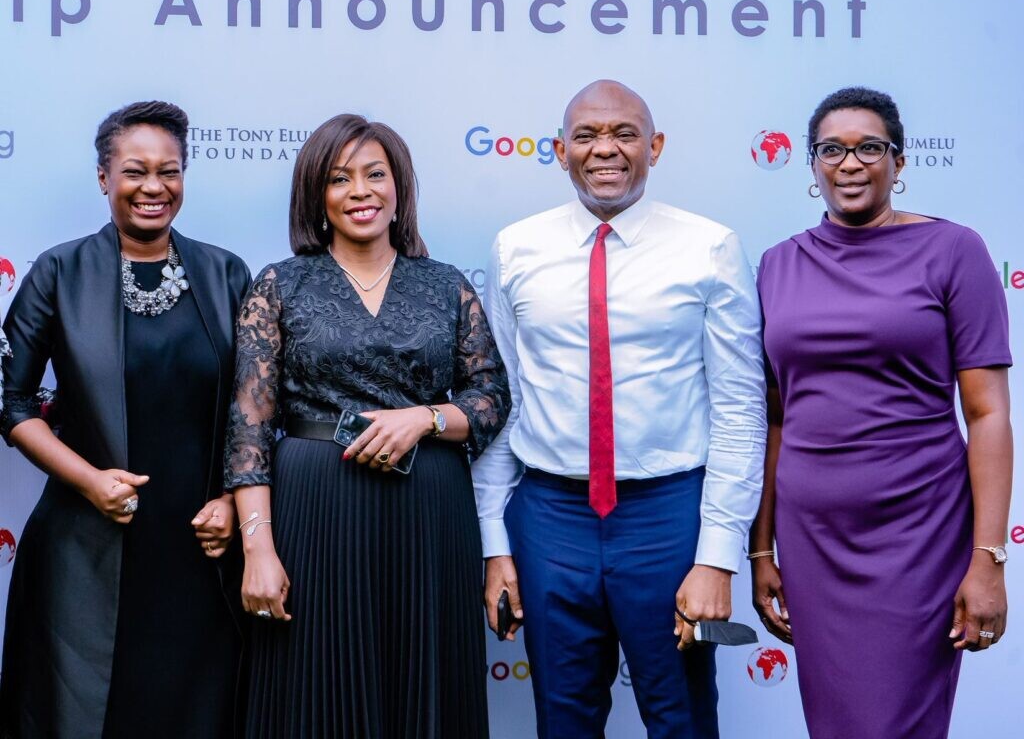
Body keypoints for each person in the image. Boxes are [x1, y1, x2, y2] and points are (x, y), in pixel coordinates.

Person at [473, 79, 767, 738]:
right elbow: (499, 406)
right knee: (564, 720)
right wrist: (496, 544)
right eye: (587, 135)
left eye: (624, 133)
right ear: (560, 150)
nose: (605, 149)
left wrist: (717, 555)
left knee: (681, 718)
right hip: (550, 517)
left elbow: (740, 411)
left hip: (667, 516)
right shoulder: (515, 248)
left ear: (655, 146)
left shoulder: (710, 247)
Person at [223, 113, 510, 739]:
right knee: (312, 686)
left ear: (399, 187)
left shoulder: (445, 285)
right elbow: (248, 433)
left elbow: (491, 397)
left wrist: (426, 418)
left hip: (429, 513)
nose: (360, 191)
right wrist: (258, 550)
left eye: (375, 174)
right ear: (316, 197)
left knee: (425, 685)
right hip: (314, 508)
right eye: (339, 178)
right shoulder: (281, 285)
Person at [750, 87, 1013, 739]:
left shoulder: (955, 252)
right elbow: (773, 419)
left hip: (918, 530)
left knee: (895, 721)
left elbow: (987, 415)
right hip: (814, 537)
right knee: (837, 724)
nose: (850, 163)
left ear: (898, 161)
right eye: (831, 149)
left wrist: (988, 556)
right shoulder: (778, 265)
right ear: (812, 166)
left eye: (870, 147)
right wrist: (760, 548)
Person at [0, 101, 252, 738]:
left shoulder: (226, 275)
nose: (153, 188)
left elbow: (257, 411)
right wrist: (89, 481)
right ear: (103, 177)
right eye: (135, 171)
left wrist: (231, 501)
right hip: (84, 549)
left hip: (202, 549)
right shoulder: (59, 272)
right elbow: (11, 400)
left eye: (170, 171)